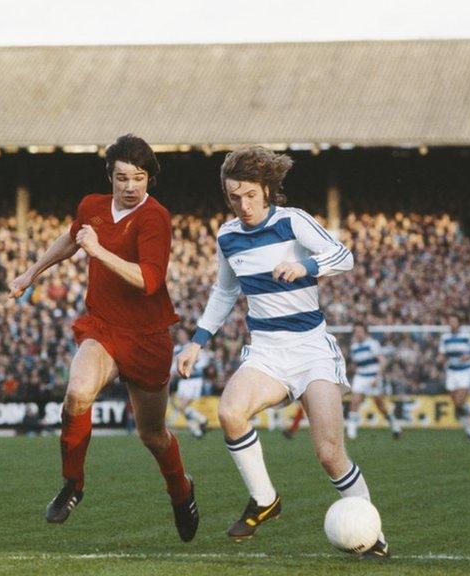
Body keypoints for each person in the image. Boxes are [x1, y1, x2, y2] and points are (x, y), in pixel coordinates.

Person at [176, 145, 389, 558]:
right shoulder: (228, 235)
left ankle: (372, 533)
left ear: (267, 190)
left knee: (329, 455)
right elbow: (224, 291)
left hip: (311, 350)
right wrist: (196, 342)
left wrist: (305, 267)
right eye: (234, 197)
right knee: (229, 412)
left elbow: (343, 256)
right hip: (267, 352)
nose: (243, 205)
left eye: (250, 195)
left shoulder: (293, 222)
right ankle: (265, 499)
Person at [8, 134, 199, 540]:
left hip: (147, 336)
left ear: (150, 178)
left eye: (139, 178)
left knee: (152, 434)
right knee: (77, 393)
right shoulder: (92, 207)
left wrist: (98, 252)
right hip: (103, 326)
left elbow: (149, 280)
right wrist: (31, 273)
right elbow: (71, 238)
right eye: (123, 178)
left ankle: (181, 491)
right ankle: (73, 484)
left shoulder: (155, 218)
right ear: (110, 177)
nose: (131, 187)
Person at [346, 324, 401, 440]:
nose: (358, 334)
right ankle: (351, 430)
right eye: (356, 331)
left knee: (379, 404)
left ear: (365, 332)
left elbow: (383, 361)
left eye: (360, 331)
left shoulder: (372, 343)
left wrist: (377, 377)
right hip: (360, 376)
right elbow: (356, 364)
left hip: (373, 377)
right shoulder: (354, 347)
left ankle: (394, 424)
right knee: (355, 400)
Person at [438, 316, 470, 440]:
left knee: (458, 402)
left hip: (466, 371)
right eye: (450, 322)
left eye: (454, 322)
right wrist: (441, 359)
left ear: (459, 324)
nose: (451, 324)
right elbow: (442, 354)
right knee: (458, 404)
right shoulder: (444, 338)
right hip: (452, 372)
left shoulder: (468, 336)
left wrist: (468, 356)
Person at [170, 328, 211, 439]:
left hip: (194, 380)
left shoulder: (193, 346)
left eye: (182, 333)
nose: (181, 336)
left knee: (182, 406)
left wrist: (193, 367)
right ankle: (196, 429)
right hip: (183, 381)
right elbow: (174, 364)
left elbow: (205, 359)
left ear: (186, 335)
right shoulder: (177, 349)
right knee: (181, 406)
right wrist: (173, 372)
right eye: (179, 334)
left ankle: (201, 419)